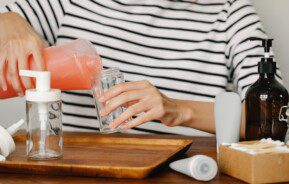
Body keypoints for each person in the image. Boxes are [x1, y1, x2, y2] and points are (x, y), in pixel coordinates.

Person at [0, 0, 282, 136]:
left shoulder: (230, 13)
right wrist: (8, 19)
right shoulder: (70, 4)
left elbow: (273, 120)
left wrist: (177, 109)